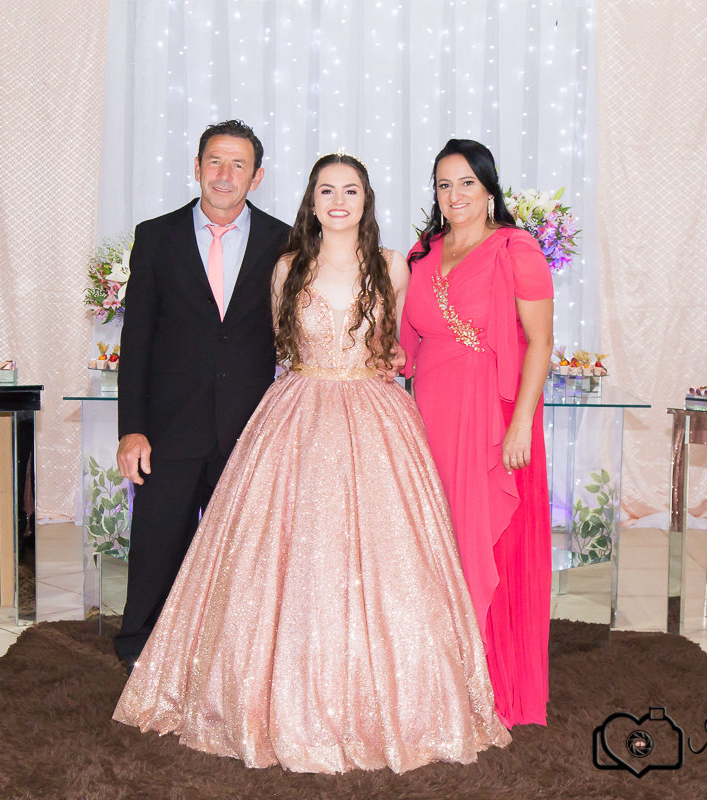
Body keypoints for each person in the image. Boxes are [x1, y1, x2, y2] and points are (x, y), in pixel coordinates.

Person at [113, 153, 510, 773]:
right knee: (286, 553)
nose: (339, 201)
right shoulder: (286, 267)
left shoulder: (393, 266)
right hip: (298, 413)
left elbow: (399, 344)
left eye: (350, 190)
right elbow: (280, 341)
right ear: (312, 200)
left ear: (366, 199)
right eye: (327, 190)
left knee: (388, 557)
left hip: (376, 419)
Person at [115, 120, 291, 669]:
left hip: (248, 428)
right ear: (196, 167)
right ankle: (140, 648)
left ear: (256, 177)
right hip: (169, 428)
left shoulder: (284, 242)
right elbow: (136, 342)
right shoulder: (156, 237)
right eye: (215, 161)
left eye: (239, 165)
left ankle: (226, 658)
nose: (224, 174)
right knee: (157, 545)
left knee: (238, 555)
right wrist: (132, 428)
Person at [400, 139, 556, 728]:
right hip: (430, 414)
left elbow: (540, 342)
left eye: (466, 182)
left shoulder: (516, 248)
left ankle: (491, 686)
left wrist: (521, 426)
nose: (455, 194)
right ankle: (438, 679)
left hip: (494, 417)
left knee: (487, 543)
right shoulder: (422, 252)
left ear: (489, 188)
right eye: (444, 184)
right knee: (436, 539)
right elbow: (403, 344)